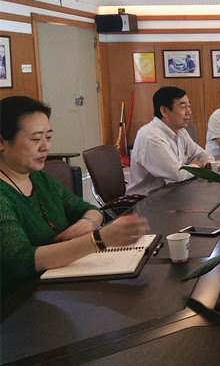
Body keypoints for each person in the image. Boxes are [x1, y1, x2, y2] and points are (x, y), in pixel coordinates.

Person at [0, 96, 150, 296]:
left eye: (48, 137)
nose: (45, 147)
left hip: (58, 287)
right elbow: (21, 261)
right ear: (2, 141)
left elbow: (89, 210)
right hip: (20, 301)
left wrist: (88, 222)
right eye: (36, 139)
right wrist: (99, 239)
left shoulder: (39, 179)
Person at [127, 86, 220, 195]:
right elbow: (177, 175)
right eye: (183, 107)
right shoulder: (151, 136)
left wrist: (208, 163)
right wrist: (196, 166)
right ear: (164, 111)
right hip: (146, 200)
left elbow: (202, 154)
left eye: (189, 106)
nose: (189, 112)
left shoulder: (180, 132)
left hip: (172, 193)